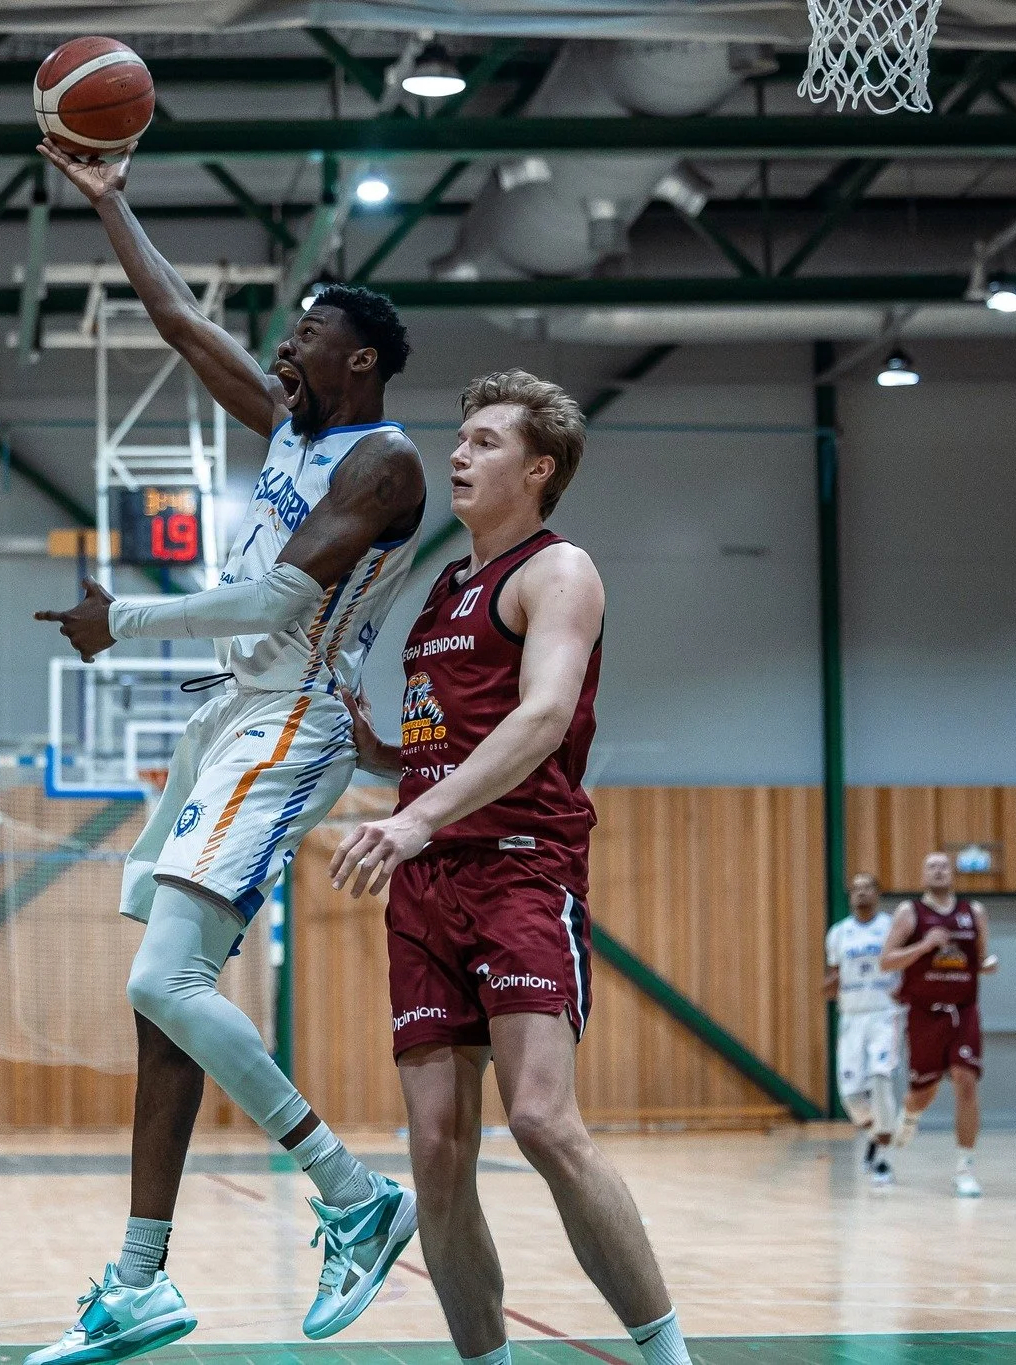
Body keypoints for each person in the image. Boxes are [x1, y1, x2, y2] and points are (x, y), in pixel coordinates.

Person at [30, 136, 427, 1364]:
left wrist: (120, 625)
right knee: (165, 1011)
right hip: (227, 724)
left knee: (164, 984)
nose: (282, 351)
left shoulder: (384, 461)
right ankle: (139, 1282)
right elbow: (176, 322)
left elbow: (272, 604)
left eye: (305, 335)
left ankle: (355, 1196)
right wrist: (110, 200)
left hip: (289, 720)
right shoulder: (291, 430)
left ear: (358, 359)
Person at [329, 371, 693, 1365]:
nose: (457, 452)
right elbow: (447, 743)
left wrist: (414, 817)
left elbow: (540, 717)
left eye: (485, 441)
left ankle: (670, 1356)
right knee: (436, 1153)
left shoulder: (558, 570)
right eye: (460, 437)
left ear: (538, 469)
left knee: (538, 1119)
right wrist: (377, 751)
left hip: (520, 869)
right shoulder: (443, 588)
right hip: (425, 885)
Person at [881, 851, 998, 1198]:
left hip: (963, 1011)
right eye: (932, 866)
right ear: (923, 875)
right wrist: (924, 945)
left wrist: (987, 965)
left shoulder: (974, 912)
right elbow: (886, 961)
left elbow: (979, 958)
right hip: (924, 1014)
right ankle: (909, 1114)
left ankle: (965, 1169)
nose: (939, 871)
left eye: (944, 866)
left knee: (966, 1080)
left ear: (952, 874)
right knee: (923, 1093)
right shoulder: (910, 912)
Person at [823, 872, 902, 1186]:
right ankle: (875, 1136)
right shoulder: (838, 933)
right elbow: (834, 976)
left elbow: (905, 964)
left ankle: (884, 1158)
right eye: (856, 888)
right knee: (851, 1095)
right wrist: (828, 987)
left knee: (880, 1078)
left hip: (884, 1012)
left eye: (867, 887)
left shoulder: (891, 927)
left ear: (877, 893)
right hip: (852, 1016)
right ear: (850, 895)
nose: (861, 893)